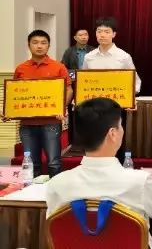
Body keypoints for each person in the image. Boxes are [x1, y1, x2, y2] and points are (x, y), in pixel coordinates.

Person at [46, 97, 152, 249]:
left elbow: (57, 231)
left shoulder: (57, 184)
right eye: (120, 125)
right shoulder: (139, 182)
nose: (122, 130)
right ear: (112, 134)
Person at [8, 30, 73, 178]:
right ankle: (32, 190)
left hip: (51, 122)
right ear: (29, 45)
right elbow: (15, 94)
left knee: (54, 162)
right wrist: (9, 111)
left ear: (48, 46)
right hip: (27, 123)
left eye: (43, 43)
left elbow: (69, 89)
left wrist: (62, 107)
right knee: (31, 163)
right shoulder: (21, 69)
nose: (39, 46)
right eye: (35, 42)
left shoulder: (58, 67)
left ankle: (55, 190)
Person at [82, 17, 142, 164]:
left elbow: (135, 81)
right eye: (99, 31)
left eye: (106, 31)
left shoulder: (123, 57)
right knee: (95, 141)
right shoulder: (89, 57)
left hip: (116, 107)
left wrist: (129, 98)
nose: (102, 35)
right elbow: (84, 81)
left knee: (115, 141)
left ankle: (117, 170)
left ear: (114, 34)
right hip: (94, 108)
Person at [60, 28, 94, 146]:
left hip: (91, 87)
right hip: (74, 87)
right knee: (74, 114)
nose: (84, 37)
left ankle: (91, 140)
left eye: (86, 34)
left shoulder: (94, 50)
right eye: (80, 35)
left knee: (90, 113)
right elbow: (63, 68)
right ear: (75, 38)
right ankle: (73, 142)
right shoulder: (69, 52)